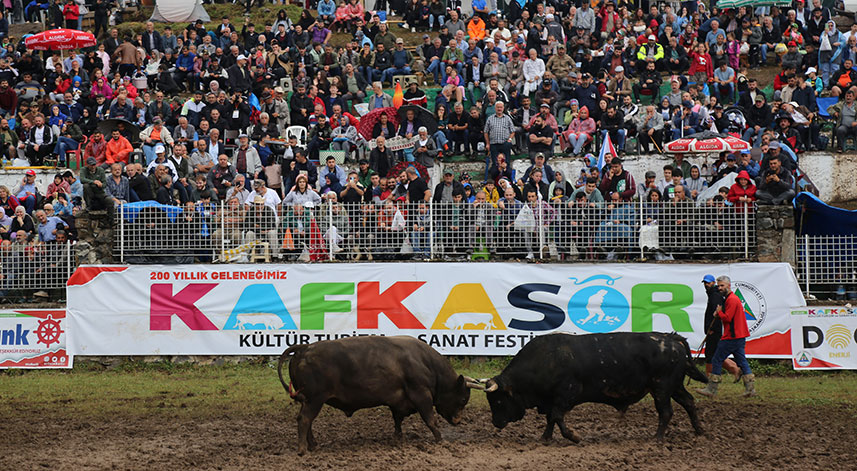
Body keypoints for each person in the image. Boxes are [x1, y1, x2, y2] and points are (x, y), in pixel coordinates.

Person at [697, 275, 757, 398]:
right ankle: (750, 389)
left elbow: (728, 318)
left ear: (729, 286)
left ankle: (712, 389)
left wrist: (719, 313)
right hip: (739, 335)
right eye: (718, 286)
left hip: (732, 335)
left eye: (722, 285)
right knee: (742, 361)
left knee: (716, 359)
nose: (719, 288)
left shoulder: (731, 300)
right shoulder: (731, 298)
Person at [701, 274, 742, 380]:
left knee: (711, 354)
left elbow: (717, 315)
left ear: (713, 283)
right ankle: (734, 369)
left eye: (708, 283)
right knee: (714, 353)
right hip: (713, 329)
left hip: (714, 330)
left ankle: (712, 376)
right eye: (705, 283)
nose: (706, 285)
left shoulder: (715, 296)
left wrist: (712, 329)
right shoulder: (713, 294)